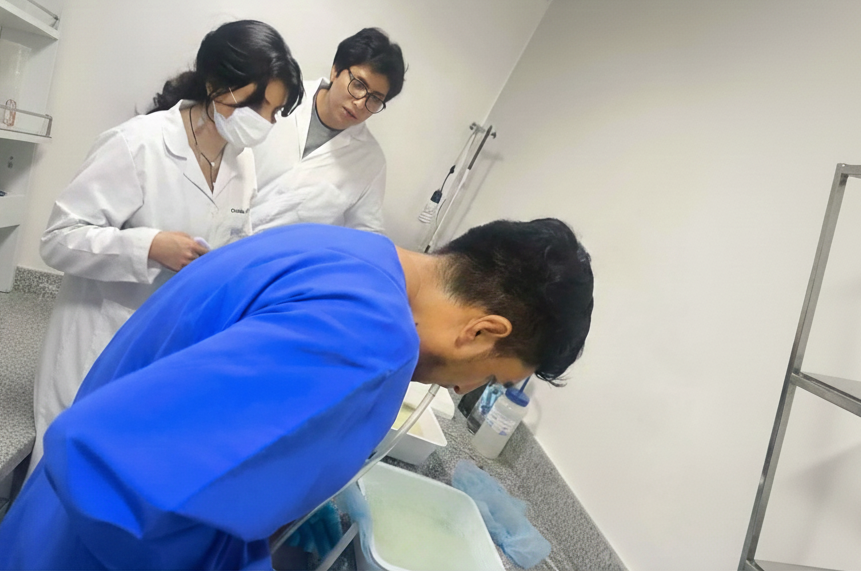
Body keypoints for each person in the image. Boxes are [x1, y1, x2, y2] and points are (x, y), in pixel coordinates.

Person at [0, 219, 594, 570]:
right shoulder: (374, 338)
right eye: (490, 379)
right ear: (484, 332)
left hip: (47, 525)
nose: (465, 389)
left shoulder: (353, 253)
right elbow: (107, 471)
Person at [27, 20, 304, 475]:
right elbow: (58, 239)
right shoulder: (138, 144)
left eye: (274, 112)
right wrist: (149, 246)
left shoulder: (242, 160)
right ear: (216, 84)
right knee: (61, 482)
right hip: (95, 348)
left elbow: (236, 234)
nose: (266, 124)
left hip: (163, 351)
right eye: (260, 107)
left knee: (115, 484)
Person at [250, 27, 405, 234]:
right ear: (335, 70)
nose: (360, 103)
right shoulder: (279, 97)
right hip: (208, 232)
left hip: (271, 260)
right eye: (358, 84)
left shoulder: (370, 161)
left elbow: (365, 233)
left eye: (375, 98)